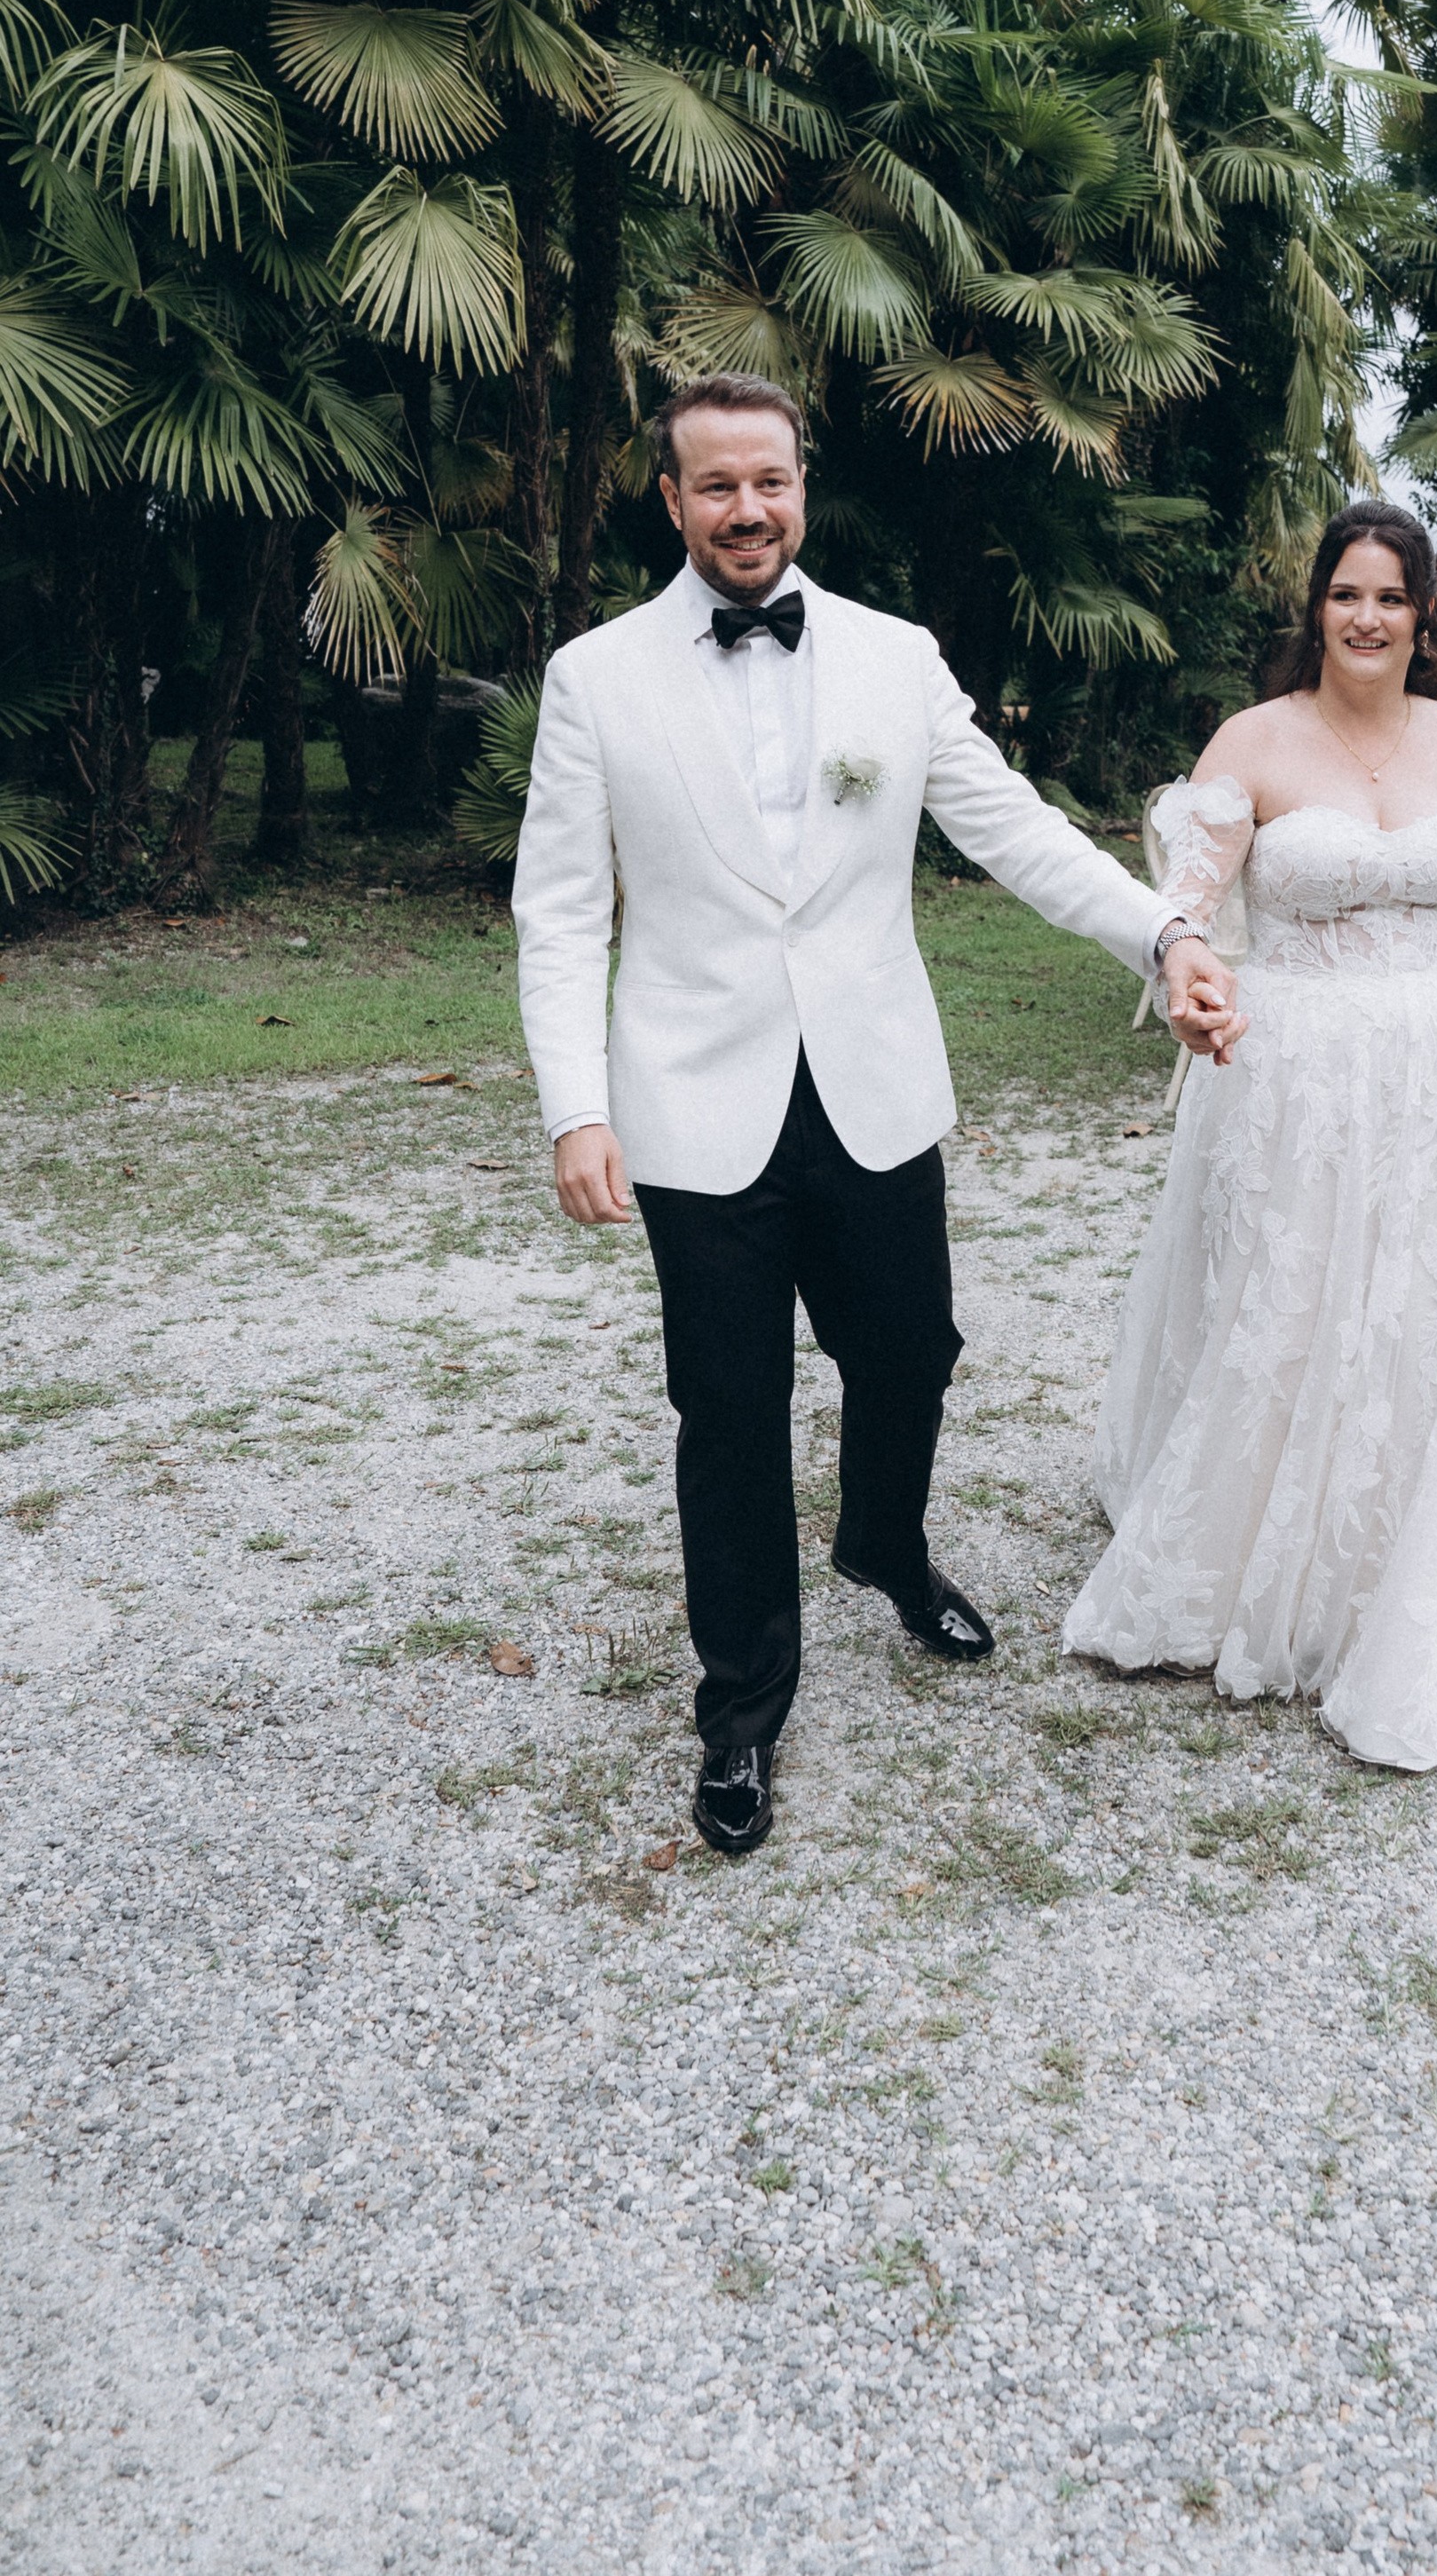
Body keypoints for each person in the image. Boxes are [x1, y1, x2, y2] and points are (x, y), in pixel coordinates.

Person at [514, 372, 1238, 1861]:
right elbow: (561, 908)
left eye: (767, 480)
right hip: (691, 1099)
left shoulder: (894, 659)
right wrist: (577, 1106)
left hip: (872, 1087)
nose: (745, 509)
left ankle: (886, 1544)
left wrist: (1163, 937)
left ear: (801, 484)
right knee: (727, 1413)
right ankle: (741, 1708)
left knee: (911, 1350)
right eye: (713, 485)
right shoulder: (598, 677)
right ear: (672, 499)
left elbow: (1016, 828)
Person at [1062, 502, 1437, 1771]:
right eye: (1346, 594)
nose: (1367, 618)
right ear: (1318, 605)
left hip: (1436, 1063)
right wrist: (1191, 983)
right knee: (1289, 1296)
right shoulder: (1253, 742)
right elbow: (1184, 915)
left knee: (1421, 1299)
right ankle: (1248, 1543)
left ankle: (1396, 1543)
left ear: (1427, 613)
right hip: (1291, 1070)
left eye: (1392, 596)